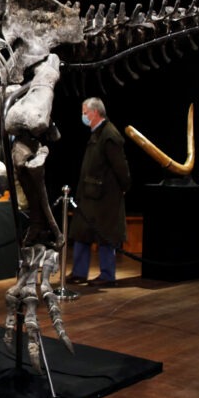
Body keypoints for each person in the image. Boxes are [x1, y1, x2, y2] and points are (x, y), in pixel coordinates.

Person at [67, 97, 131, 287]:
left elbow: (121, 167)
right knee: (81, 232)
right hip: (90, 194)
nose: (83, 116)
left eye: (85, 112)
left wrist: (124, 187)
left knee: (105, 235)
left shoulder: (109, 135)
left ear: (95, 113)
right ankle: (79, 273)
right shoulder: (97, 134)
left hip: (104, 197)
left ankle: (107, 275)